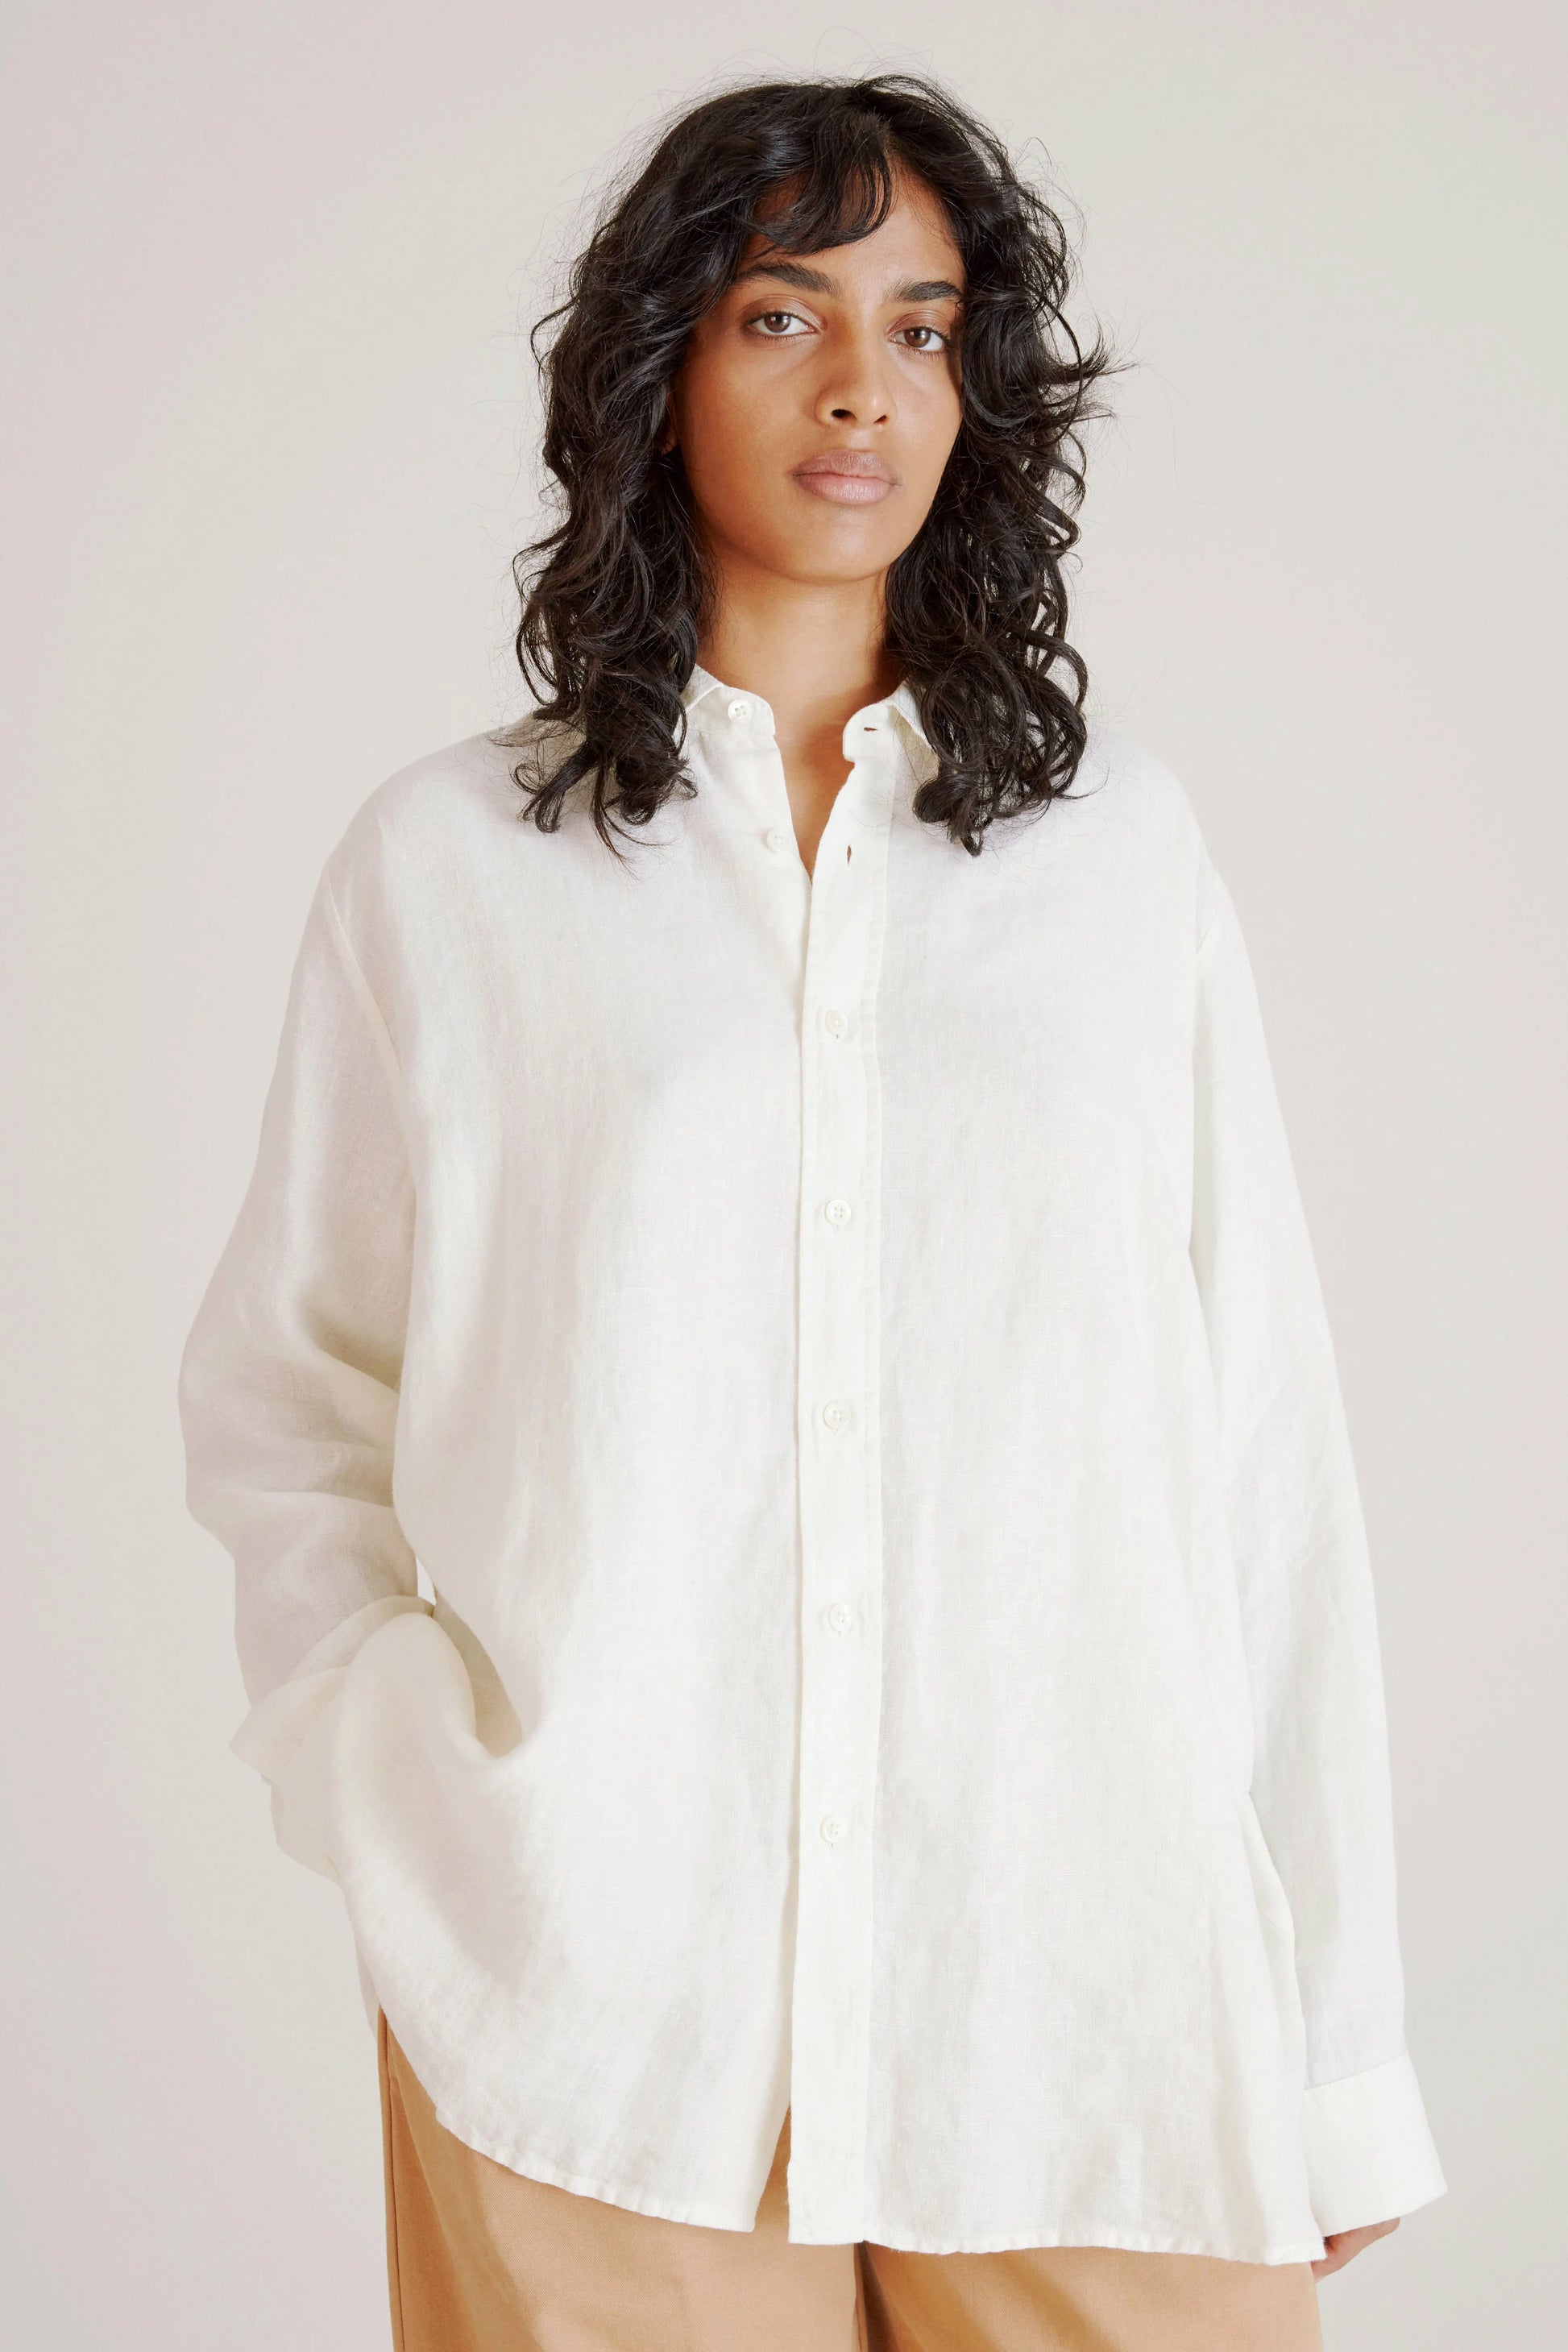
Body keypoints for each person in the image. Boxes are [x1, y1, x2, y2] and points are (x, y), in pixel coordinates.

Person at [178, 70, 1446, 2352]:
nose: (864, 386)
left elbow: (1259, 1460)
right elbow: (294, 1396)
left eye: (924, 328)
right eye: (784, 315)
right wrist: (400, 1782)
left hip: (1082, 2000)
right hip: (592, 2022)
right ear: (658, 365)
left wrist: (1335, 2048)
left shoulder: (1117, 863)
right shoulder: (450, 869)